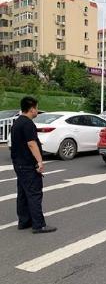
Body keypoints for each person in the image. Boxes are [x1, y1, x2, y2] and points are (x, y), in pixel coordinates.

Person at [10, 96, 56, 234]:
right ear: (32, 109)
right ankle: (38, 225)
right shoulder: (28, 124)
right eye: (36, 108)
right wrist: (40, 162)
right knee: (34, 194)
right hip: (28, 165)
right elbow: (31, 143)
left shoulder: (17, 122)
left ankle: (24, 222)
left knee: (23, 193)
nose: (37, 111)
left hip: (18, 164)